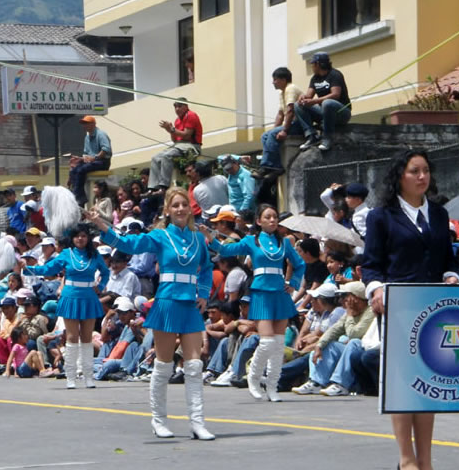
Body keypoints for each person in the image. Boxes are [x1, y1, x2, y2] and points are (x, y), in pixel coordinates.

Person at [362, 149, 457, 470]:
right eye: (415, 171)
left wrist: (450, 276)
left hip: (432, 307)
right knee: (404, 386)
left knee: (428, 386)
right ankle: (406, 461)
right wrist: (376, 290)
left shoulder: (439, 213)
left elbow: (448, 259)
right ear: (400, 176)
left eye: (426, 171)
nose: (422, 177)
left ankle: (427, 462)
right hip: (399, 307)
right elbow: (371, 265)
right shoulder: (381, 216)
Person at [89, 187, 215, 440]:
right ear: (167, 210)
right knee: (164, 365)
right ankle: (158, 420)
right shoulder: (159, 236)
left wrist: (203, 293)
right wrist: (101, 224)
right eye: (175, 205)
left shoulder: (198, 238)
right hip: (167, 301)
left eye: (184, 204)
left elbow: (206, 267)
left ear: (190, 209)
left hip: (189, 303)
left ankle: (197, 422)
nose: (180, 209)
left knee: (193, 364)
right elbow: (127, 243)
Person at [203, 204, 305, 402]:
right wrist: (210, 237)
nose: (272, 220)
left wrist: (292, 283)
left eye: (275, 217)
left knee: (277, 343)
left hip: (279, 293)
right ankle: (253, 377)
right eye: (267, 217)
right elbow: (225, 249)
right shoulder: (251, 240)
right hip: (260, 292)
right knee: (266, 341)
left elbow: (299, 264)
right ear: (259, 221)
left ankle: (273, 386)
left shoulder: (284, 242)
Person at [21, 223, 109, 388]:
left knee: (87, 337)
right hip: (70, 296)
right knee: (71, 337)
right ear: (72, 238)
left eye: (83, 235)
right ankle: (71, 375)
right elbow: (49, 269)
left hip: (89, 296)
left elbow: (106, 272)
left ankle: (88, 375)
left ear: (88, 237)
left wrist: (101, 285)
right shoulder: (66, 254)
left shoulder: (94, 254)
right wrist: (28, 269)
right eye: (77, 236)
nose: (80, 239)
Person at [253, 67, 304, 178]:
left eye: (275, 79)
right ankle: (275, 165)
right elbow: (281, 114)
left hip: (299, 123)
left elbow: (290, 110)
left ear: (283, 80)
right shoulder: (282, 93)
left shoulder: (291, 88)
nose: (273, 82)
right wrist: (274, 129)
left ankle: (266, 166)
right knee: (265, 136)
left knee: (272, 134)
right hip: (291, 123)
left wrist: (284, 130)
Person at [295, 52, 351, 152]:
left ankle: (327, 138)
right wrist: (303, 98)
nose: (312, 67)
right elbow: (309, 95)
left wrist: (315, 101)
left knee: (327, 103)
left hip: (341, 112)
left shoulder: (335, 74)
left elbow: (335, 95)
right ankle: (311, 136)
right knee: (298, 105)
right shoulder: (315, 78)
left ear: (319, 64)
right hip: (325, 113)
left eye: (313, 64)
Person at [147, 98, 203, 195]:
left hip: (191, 146)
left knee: (167, 156)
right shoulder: (177, 120)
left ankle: (163, 186)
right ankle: (153, 188)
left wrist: (172, 129)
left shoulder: (191, 115)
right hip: (179, 145)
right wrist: (169, 130)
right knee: (155, 158)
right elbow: (175, 140)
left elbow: (186, 135)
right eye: (175, 107)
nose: (177, 109)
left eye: (179, 106)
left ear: (186, 106)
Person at [68, 116, 112, 208]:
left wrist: (94, 158)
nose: (84, 126)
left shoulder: (101, 134)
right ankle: (76, 194)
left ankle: (79, 198)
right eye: (84, 124)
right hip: (92, 162)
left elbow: (106, 150)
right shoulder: (87, 137)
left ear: (93, 124)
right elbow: (86, 154)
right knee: (74, 170)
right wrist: (80, 158)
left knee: (81, 170)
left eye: (86, 123)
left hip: (102, 162)